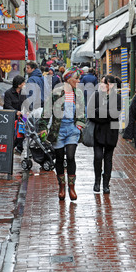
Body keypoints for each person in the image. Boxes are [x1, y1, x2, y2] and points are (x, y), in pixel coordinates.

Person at [39, 66, 86, 201]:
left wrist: (79, 126)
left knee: (70, 156)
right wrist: (43, 127)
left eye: (79, 79)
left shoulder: (79, 93)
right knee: (59, 158)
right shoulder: (56, 92)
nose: (78, 81)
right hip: (58, 130)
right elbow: (47, 111)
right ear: (68, 78)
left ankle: (72, 187)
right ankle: (61, 186)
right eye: (76, 78)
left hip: (72, 129)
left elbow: (83, 111)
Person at [87, 74, 121, 194]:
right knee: (98, 157)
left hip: (112, 131)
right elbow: (90, 113)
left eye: (104, 83)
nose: (101, 85)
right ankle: (97, 181)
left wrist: (99, 112)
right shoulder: (95, 96)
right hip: (98, 130)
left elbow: (115, 114)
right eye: (101, 82)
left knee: (108, 158)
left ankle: (106, 184)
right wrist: (104, 116)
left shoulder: (117, 97)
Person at [3, 75, 26, 154]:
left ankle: (19, 148)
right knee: (14, 134)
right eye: (23, 83)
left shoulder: (23, 92)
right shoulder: (8, 93)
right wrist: (16, 111)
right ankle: (11, 147)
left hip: (22, 117)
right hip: (11, 117)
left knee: (23, 132)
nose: (24, 84)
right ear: (19, 85)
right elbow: (7, 105)